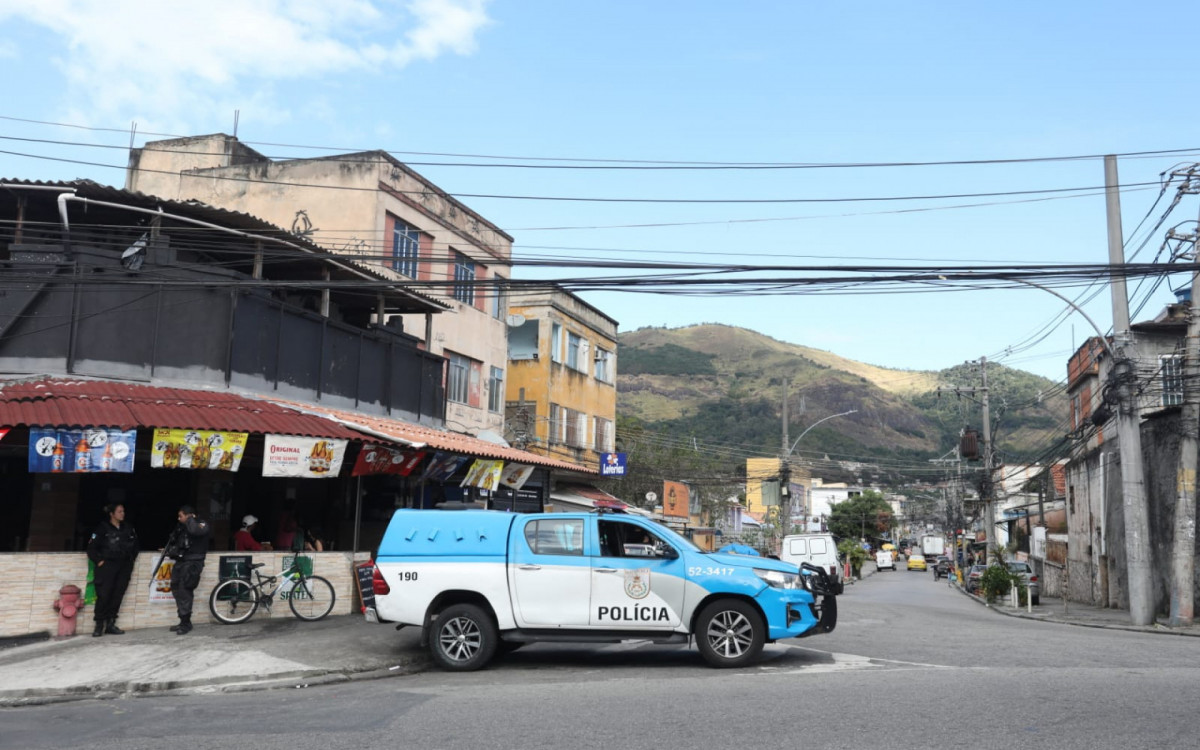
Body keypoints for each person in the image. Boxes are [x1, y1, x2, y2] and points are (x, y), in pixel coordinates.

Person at [85, 503, 139, 637]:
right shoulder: (102, 528)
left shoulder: (128, 528)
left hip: (124, 566)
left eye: (123, 511)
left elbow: (136, 545)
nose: (122, 514)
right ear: (112, 514)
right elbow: (91, 548)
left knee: (117, 595)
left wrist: (131, 560)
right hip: (107, 566)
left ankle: (110, 623)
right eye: (119, 511)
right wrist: (99, 561)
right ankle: (99, 625)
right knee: (104, 595)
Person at [167, 505, 210, 635]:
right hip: (181, 561)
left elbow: (195, 531)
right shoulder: (183, 526)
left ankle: (186, 623)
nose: (179, 518)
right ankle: (183, 620)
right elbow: (179, 542)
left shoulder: (200, 524)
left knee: (185, 590)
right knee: (175, 588)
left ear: (189, 515)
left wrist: (190, 519)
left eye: (181, 516)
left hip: (193, 563)